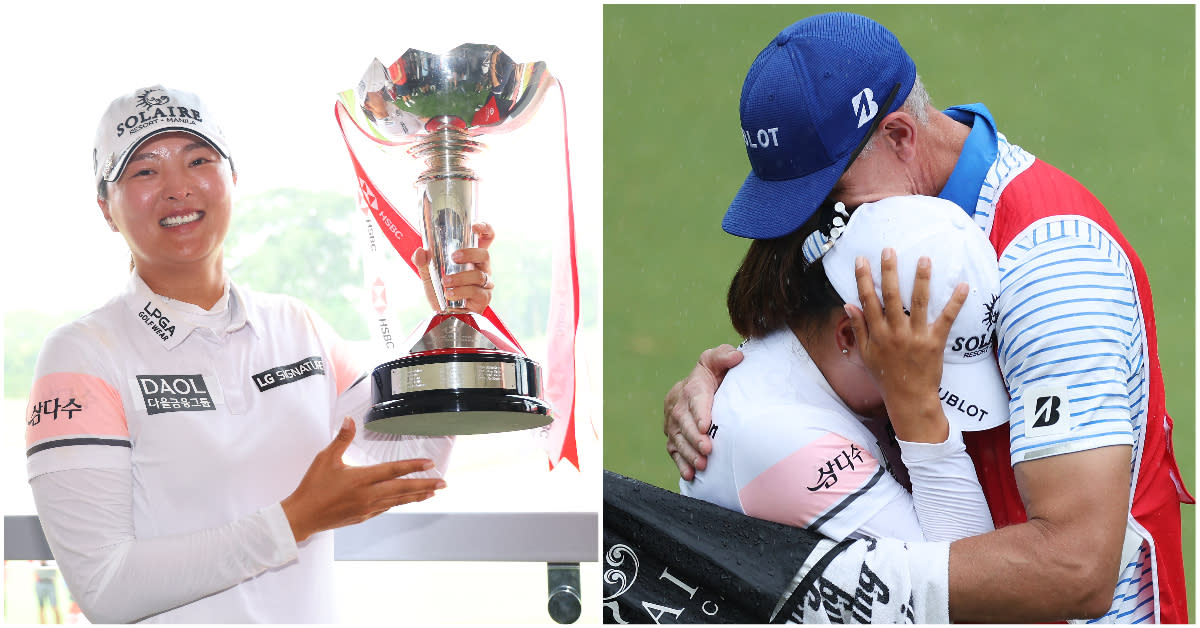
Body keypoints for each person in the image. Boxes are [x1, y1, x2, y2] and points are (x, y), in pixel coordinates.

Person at [663, 12, 1191, 623]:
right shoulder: (890, 216)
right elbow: (822, 345)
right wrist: (735, 395)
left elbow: (1074, 570)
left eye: (829, 200)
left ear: (900, 136)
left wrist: (808, 575)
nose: (823, 228)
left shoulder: (1051, 267)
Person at [24, 85, 495, 623]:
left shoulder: (296, 327)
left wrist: (449, 329)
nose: (177, 188)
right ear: (106, 207)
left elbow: (412, 466)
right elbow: (106, 588)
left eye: (198, 160)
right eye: (144, 171)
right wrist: (295, 520)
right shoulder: (81, 356)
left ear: (232, 180)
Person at [682, 195, 997, 545]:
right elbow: (968, 579)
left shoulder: (815, 367)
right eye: (922, 367)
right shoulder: (775, 434)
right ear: (849, 335)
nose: (936, 390)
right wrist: (917, 406)